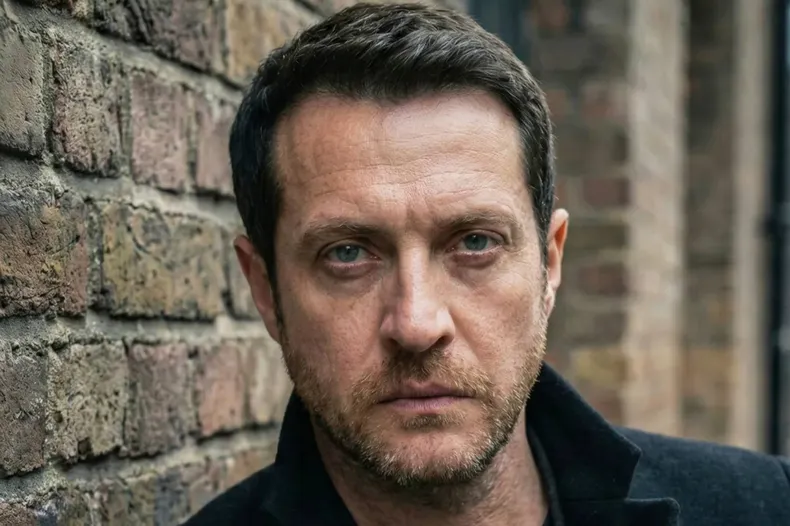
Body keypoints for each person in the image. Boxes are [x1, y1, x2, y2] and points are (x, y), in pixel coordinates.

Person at [185, 3, 790, 525]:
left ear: (549, 263)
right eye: (347, 254)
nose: (417, 324)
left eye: (474, 243)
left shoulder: (763, 506)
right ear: (265, 290)